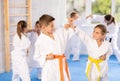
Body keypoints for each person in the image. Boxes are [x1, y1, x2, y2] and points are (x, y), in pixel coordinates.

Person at [34, 14, 76, 81]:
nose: (54, 27)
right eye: (51, 26)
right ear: (44, 27)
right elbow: (36, 56)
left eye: (53, 25)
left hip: (61, 64)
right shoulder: (40, 40)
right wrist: (46, 57)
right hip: (50, 67)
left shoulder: (58, 32)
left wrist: (71, 23)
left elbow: (70, 32)